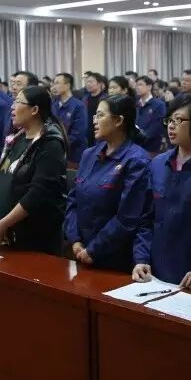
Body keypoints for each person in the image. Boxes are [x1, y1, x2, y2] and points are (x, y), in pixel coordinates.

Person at [133, 95, 191, 285]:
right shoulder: (158, 163)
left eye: (179, 120)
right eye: (169, 120)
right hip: (154, 272)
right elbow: (146, 218)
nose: (171, 126)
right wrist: (141, 258)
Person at [64, 94, 151, 272]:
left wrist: (93, 250)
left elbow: (127, 217)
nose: (94, 121)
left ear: (118, 121)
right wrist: (75, 240)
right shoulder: (89, 154)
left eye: (100, 115)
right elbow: (73, 201)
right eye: (94, 116)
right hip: (80, 251)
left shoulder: (136, 160)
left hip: (113, 257)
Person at [0, 85, 69, 253]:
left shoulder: (50, 144)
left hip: (33, 238)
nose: (12, 107)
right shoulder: (17, 138)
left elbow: (38, 193)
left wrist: (5, 223)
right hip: (5, 234)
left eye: (18, 102)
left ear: (34, 110)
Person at [50, 73, 88, 165]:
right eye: (53, 83)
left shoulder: (78, 106)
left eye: (57, 83)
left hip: (73, 154)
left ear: (67, 85)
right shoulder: (53, 105)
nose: (54, 87)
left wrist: (59, 146)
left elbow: (78, 134)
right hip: (56, 152)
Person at [134, 76, 166, 153]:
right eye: (136, 85)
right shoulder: (136, 104)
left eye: (140, 85)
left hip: (151, 146)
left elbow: (157, 126)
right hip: (135, 145)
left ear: (149, 87)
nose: (137, 87)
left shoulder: (158, 104)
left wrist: (142, 137)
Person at [82, 73, 107, 148]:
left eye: (91, 81)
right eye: (87, 82)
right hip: (87, 132)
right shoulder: (84, 99)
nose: (88, 84)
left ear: (99, 84)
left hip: (101, 130)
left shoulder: (106, 98)